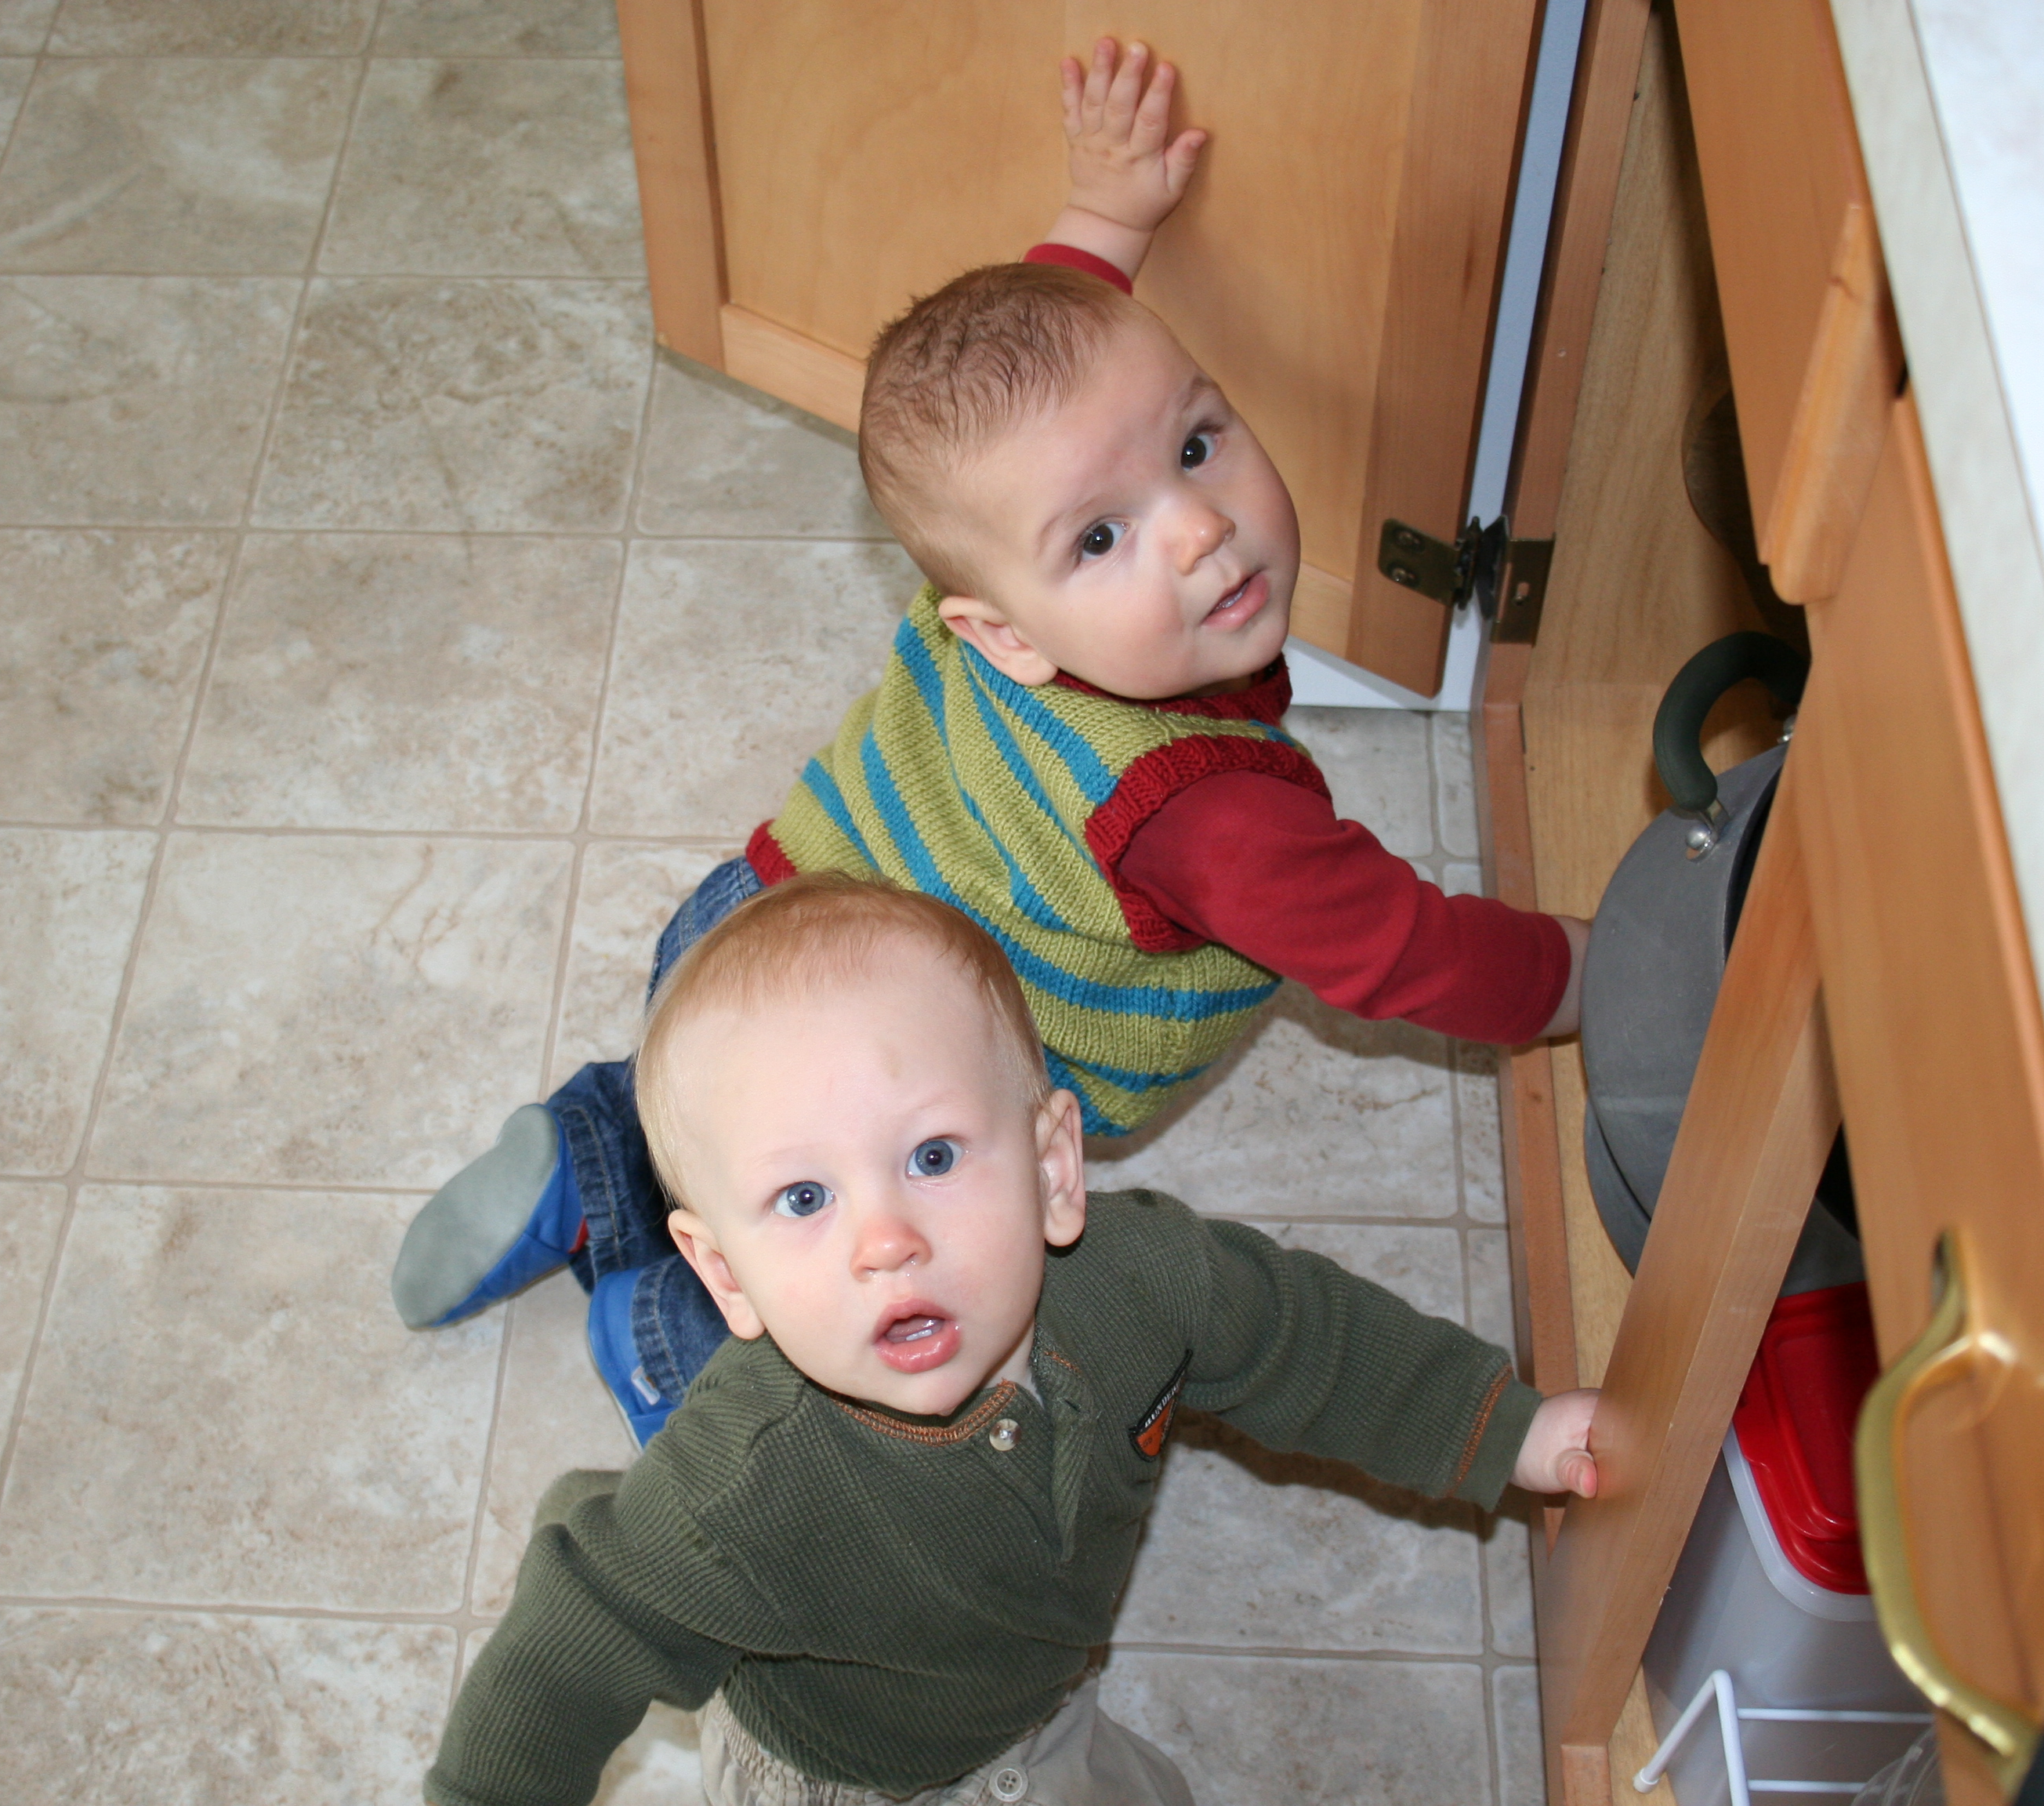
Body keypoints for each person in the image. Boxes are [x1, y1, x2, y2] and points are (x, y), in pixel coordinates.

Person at [393, 39, 1592, 1442]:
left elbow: (1051, 369)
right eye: (1105, 536)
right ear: (1006, 632)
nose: (1198, 530)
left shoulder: (995, 543)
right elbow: (1410, 953)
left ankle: (598, 1143)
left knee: (739, 1133)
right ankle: (677, 1344)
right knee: (892, 1290)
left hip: (742, 929)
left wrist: (1111, 216)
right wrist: (1580, 975)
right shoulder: (1204, 816)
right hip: (878, 1077)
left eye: (1197, 445)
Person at [423, 873, 1602, 1806]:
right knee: (674, 1505)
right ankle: (639, 1301)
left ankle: (638, 1298)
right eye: (804, 1199)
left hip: (1039, 1702)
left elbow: (1308, 1340)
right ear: (727, 1273)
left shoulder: (1147, 1282)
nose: (886, 1240)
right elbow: (570, 1646)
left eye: (932, 1159)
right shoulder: (737, 1497)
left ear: (1053, 1170)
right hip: (845, 1774)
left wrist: (1512, 1428)